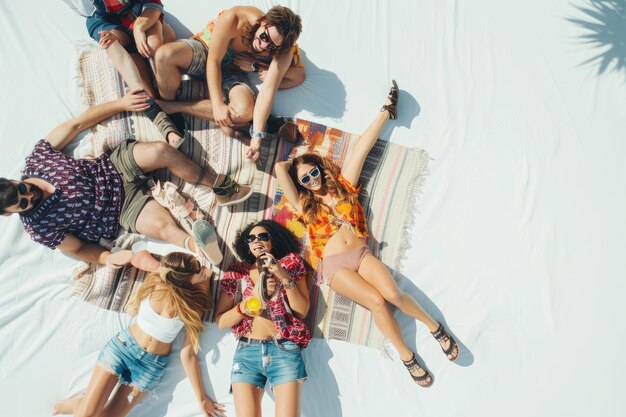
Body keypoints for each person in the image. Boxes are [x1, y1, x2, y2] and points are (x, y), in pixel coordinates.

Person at [275, 81, 460, 387]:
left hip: (361, 254)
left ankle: (435, 327)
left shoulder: (344, 185)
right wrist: (295, 158)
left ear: (321, 169)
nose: (310, 179)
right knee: (376, 301)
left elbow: (362, 147)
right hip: (335, 267)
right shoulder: (304, 205)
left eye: (313, 172)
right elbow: (282, 169)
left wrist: (386, 112)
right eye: (304, 178)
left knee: (392, 294)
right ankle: (406, 356)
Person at [0, 89, 252, 268]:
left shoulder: (39, 159)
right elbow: (78, 248)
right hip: (119, 209)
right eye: (23, 203)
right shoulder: (39, 228)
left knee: (160, 151)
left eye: (23, 189)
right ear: (9, 214)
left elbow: (77, 125)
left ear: (14, 180)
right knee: (161, 227)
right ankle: (199, 246)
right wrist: (106, 258)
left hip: (114, 167)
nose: (30, 196)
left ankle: (220, 186)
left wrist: (121, 104)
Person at [52, 252, 226, 417]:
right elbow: (139, 255)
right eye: (198, 267)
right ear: (183, 276)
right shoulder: (158, 280)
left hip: (150, 366)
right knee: (87, 415)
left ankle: (82, 403)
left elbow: (188, 354)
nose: (203, 268)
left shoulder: (194, 304)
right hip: (123, 348)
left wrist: (201, 399)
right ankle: (71, 405)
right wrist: (162, 268)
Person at [154, 5, 304, 161]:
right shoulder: (237, 18)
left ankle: (171, 108)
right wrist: (217, 104)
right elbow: (214, 60)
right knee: (164, 55)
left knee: (244, 111)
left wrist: (257, 138)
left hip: (233, 73)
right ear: (263, 21)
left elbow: (268, 90)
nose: (264, 46)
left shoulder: (283, 50)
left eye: (272, 47)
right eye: (265, 37)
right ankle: (167, 109)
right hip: (207, 51)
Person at [214, 220, 310, 416]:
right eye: (251, 238)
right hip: (247, 351)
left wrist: (282, 275)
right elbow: (220, 321)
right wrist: (246, 305)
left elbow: (302, 311)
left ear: (273, 241)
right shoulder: (237, 273)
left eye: (263, 236)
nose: (257, 240)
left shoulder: (291, 263)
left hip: (284, 347)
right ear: (247, 245)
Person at [85, 0, 186, 148]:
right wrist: (116, 37)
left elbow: (153, 4)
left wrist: (139, 26)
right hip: (110, 23)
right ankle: (156, 112)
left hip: (141, 13)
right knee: (109, 41)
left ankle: (165, 105)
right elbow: (91, 13)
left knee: (153, 45)